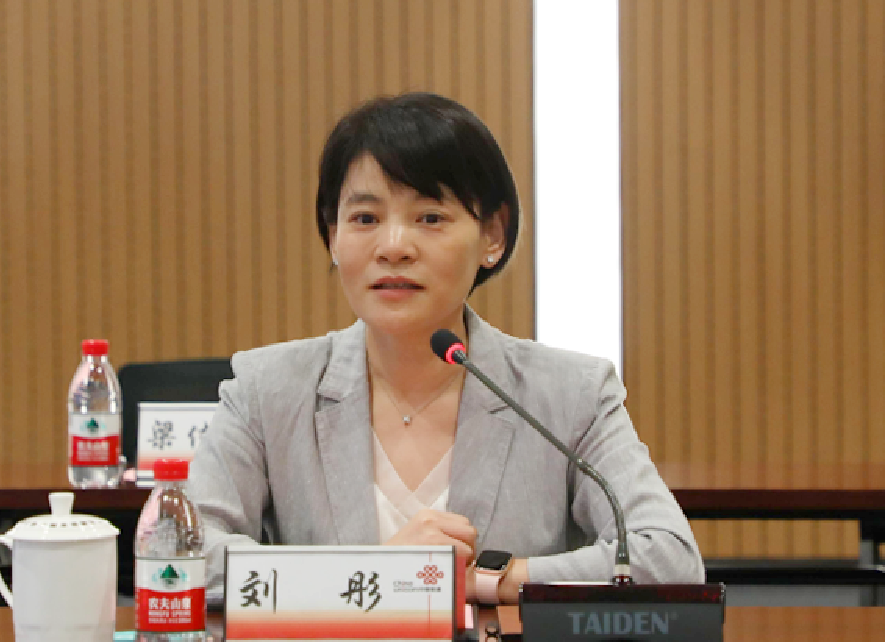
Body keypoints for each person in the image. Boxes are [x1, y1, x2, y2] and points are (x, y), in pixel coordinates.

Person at [188, 92, 704, 605]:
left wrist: (487, 579)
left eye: (430, 218)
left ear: (492, 236)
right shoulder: (267, 390)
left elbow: (668, 558)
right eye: (365, 219)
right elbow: (184, 555)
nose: (394, 246)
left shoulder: (570, 395)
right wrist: (380, 574)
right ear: (333, 235)